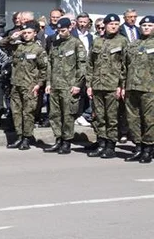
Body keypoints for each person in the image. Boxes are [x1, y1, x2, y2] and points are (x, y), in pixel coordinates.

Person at [42, 17, 87, 154]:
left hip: (69, 86)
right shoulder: (55, 44)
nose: (60, 33)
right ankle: (58, 139)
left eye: (63, 30)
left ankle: (67, 142)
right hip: (55, 85)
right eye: (58, 31)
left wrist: (78, 84)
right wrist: (48, 82)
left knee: (67, 115)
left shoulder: (76, 44)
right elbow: (50, 64)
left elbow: (82, 66)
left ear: (70, 29)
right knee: (54, 115)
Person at [0, 21, 47, 150]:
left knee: (28, 113)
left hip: (30, 85)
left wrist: (39, 84)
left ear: (35, 34)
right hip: (16, 84)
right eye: (24, 33)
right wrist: (13, 36)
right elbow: (1, 44)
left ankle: (27, 138)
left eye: (29, 33)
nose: (26, 35)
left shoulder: (38, 49)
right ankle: (19, 136)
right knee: (16, 112)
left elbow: (44, 69)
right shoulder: (17, 47)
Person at [86, 14, 128, 158]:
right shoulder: (97, 41)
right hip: (97, 85)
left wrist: (121, 86)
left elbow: (125, 66)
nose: (114, 26)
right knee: (99, 117)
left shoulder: (123, 41)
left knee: (112, 117)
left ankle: (111, 145)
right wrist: (89, 84)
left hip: (112, 85)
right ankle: (101, 143)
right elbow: (90, 64)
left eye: (116, 24)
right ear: (105, 25)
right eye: (111, 24)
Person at [123, 16, 154, 162]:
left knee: (149, 120)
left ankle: (148, 148)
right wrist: (123, 86)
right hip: (131, 87)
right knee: (133, 118)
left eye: (149, 25)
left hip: (149, 88)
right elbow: (124, 67)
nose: (146, 27)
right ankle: (138, 146)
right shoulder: (133, 45)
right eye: (144, 25)